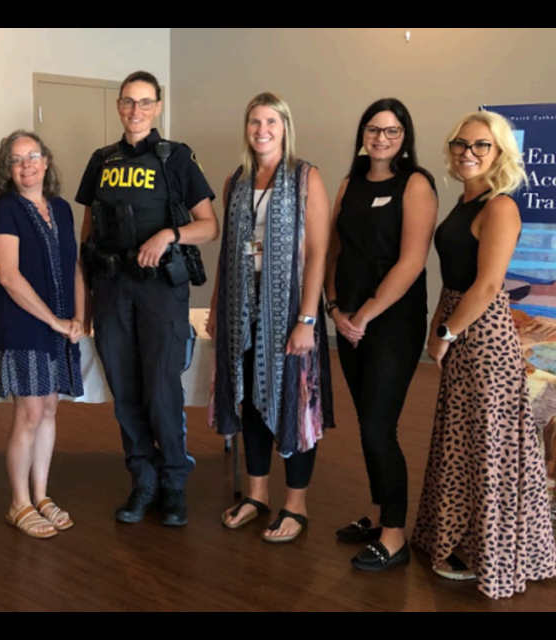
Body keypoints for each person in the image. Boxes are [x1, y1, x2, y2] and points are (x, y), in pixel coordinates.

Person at [412, 110, 556, 599]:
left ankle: (489, 553)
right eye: (460, 144)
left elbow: (490, 285)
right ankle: (455, 534)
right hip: (460, 323)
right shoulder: (464, 201)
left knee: (488, 446)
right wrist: (443, 325)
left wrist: (446, 334)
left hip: (484, 335)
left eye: (481, 146)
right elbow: (456, 278)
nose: (468, 153)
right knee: (462, 437)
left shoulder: (500, 207)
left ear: (500, 153)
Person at [76, 71, 219, 527]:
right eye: (128, 102)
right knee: (125, 391)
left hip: (161, 291)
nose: (135, 111)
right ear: (118, 106)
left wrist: (168, 234)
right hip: (113, 290)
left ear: (157, 107)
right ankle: (144, 481)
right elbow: (87, 234)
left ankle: (174, 482)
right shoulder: (101, 160)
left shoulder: (176, 158)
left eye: (145, 103)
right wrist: (85, 304)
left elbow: (209, 225)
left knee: (161, 390)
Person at [213, 92, 333, 544]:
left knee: (295, 403)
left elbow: (319, 252)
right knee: (249, 401)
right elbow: (230, 252)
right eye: (254, 122)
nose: (262, 130)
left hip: (289, 311)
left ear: (284, 127)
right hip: (242, 310)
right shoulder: (237, 181)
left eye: (271, 122)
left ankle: (295, 505)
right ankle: (257, 495)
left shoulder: (305, 178)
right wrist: (218, 308)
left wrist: (306, 319)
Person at [324, 99, 438, 571]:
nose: (381, 138)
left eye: (391, 131)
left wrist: (366, 314)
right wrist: (334, 307)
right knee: (367, 420)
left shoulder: (416, 184)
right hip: (348, 319)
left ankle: (394, 535)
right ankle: (376, 514)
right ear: (363, 134)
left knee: (378, 426)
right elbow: (332, 248)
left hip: (391, 321)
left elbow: (411, 262)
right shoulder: (349, 182)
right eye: (373, 129)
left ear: (405, 137)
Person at [0, 131, 85, 539]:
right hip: (25, 324)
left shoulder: (61, 208)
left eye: (33, 156)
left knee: (49, 410)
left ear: (46, 162)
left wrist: (79, 315)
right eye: (16, 160)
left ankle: (41, 495)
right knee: (28, 413)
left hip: (60, 324)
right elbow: (9, 277)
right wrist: (54, 321)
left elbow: (75, 267)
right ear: (7, 170)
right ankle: (18, 503)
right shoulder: (4, 211)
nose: (26, 165)